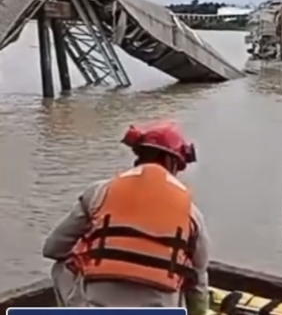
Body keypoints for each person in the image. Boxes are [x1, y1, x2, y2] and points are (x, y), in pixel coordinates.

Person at [43, 120, 210, 314]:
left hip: (95, 309)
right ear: (174, 163)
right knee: (189, 276)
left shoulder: (99, 192)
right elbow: (198, 282)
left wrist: (91, 255)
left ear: (138, 155)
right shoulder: (191, 213)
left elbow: (52, 249)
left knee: (62, 265)